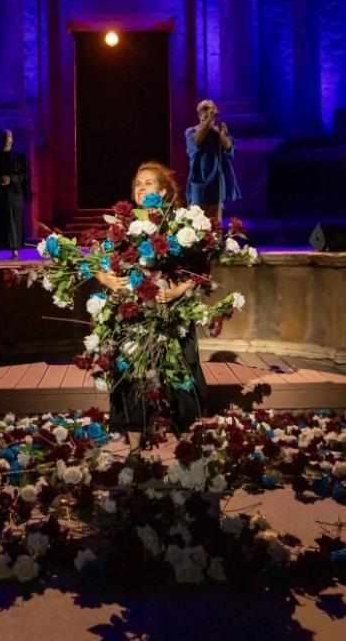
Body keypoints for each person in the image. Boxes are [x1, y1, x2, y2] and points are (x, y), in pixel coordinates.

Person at [95, 162, 207, 435]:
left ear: (164, 191)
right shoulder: (121, 225)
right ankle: (135, 429)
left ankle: (185, 428)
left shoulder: (178, 224)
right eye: (138, 184)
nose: (142, 188)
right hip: (134, 310)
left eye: (148, 183)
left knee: (179, 363)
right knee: (132, 363)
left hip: (171, 309)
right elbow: (98, 263)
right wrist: (107, 279)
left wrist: (176, 292)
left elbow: (201, 270)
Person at [185, 99, 239, 222]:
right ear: (199, 114)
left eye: (211, 110)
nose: (208, 113)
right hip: (198, 185)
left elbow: (230, 150)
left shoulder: (218, 133)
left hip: (216, 185)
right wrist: (208, 121)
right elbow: (195, 143)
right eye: (205, 110)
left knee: (216, 225)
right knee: (197, 224)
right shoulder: (191, 132)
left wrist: (223, 135)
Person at [0, 129, 29, 259]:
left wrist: (11, 179)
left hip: (14, 195)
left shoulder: (19, 158)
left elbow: (24, 176)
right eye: (3, 137)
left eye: (8, 136)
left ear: (12, 140)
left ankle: (15, 250)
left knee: (14, 223)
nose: (6, 139)